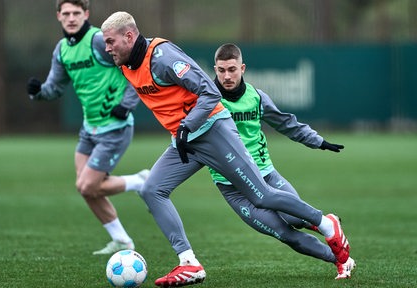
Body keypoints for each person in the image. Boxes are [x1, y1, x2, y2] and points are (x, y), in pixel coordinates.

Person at [101, 11, 351, 287]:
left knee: (263, 196)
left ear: (129, 36)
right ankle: (189, 263)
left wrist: (187, 125)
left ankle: (327, 225)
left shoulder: (164, 57)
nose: (107, 47)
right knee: (152, 190)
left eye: (110, 41)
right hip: (186, 139)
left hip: (212, 130)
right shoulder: (125, 63)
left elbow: (210, 91)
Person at [210, 43, 355, 279]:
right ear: (215, 69)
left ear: (243, 68)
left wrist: (318, 141)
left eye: (232, 69)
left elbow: (286, 123)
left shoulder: (256, 97)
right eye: (221, 70)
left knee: (295, 219)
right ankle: (342, 260)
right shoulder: (207, 100)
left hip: (265, 175)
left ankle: (328, 224)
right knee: (285, 235)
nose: (227, 76)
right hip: (232, 188)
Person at [27, 0, 149, 255]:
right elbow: (55, 87)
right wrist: (38, 92)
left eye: (76, 13)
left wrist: (126, 104)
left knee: (87, 185)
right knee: (85, 189)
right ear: (59, 16)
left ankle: (140, 182)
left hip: (115, 127)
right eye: (66, 13)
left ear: (86, 14)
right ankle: (122, 240)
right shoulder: (62, 49)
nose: (71, 18)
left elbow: (133, 64)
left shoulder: (97, 41)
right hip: (89, 129)